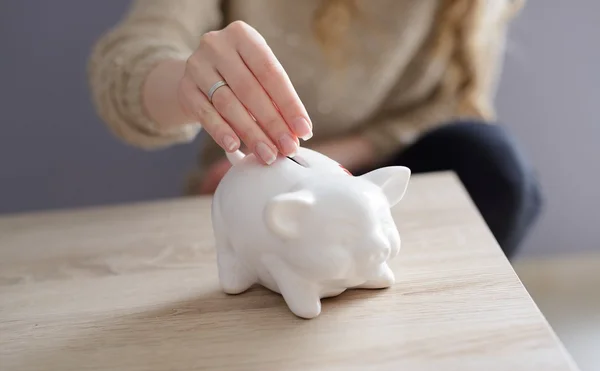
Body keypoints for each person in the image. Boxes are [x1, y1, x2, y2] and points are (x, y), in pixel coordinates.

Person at [87, 0, 541, 258]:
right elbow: (127, 57)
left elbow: (457, 104)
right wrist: (189, 85)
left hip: (383, 178)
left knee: (494, 164)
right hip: (256, 192)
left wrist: (331, 159)